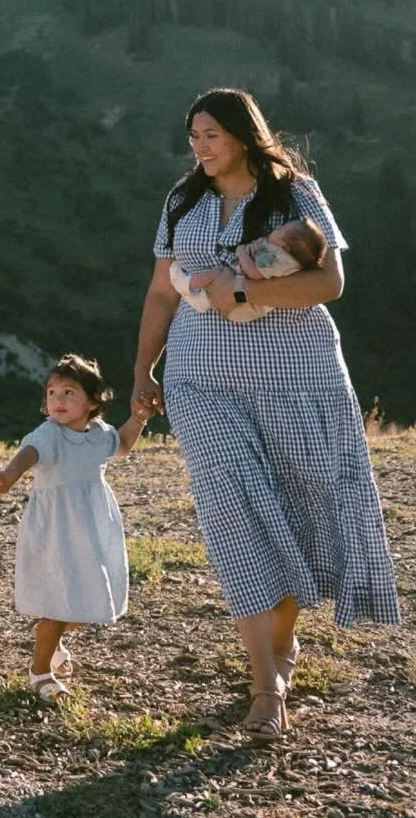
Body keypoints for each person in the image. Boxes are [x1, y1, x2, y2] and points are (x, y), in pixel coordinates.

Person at [132, 88, 399, 742]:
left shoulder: (294, 193)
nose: (200, 147)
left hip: (297, 379)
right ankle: (265, 686)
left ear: (243, 136)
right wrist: (143, 368)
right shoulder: (182, 200)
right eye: (193, 135)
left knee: (296, 512)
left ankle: (283, 644)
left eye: (211, 136)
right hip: (201, 385)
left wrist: (246, 286)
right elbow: (161, 292)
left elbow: (329, 284)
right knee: (230, 510)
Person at [0, 355, 149, 702]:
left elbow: (123, 444)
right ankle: (40, 671)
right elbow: (27, 455)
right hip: (55, 532)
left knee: (89, 600)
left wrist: (139, 418)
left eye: (69, 392)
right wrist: (7, 479)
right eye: (52, 391)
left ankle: (51, 638)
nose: (57, 399)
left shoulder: (100, 434)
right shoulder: (48, 434)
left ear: (93, 401)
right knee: (60, 604)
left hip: (90, 529)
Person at [169, 217, 326, 321]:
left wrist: (242, 252)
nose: (277, 226)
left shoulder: (276, 258)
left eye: (281, 229)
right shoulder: (288, 262)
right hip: (242, 309)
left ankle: (187, 284)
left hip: (240, 308)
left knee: (220, 272)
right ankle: (202, 299)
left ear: (284, 247)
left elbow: (254, 274)